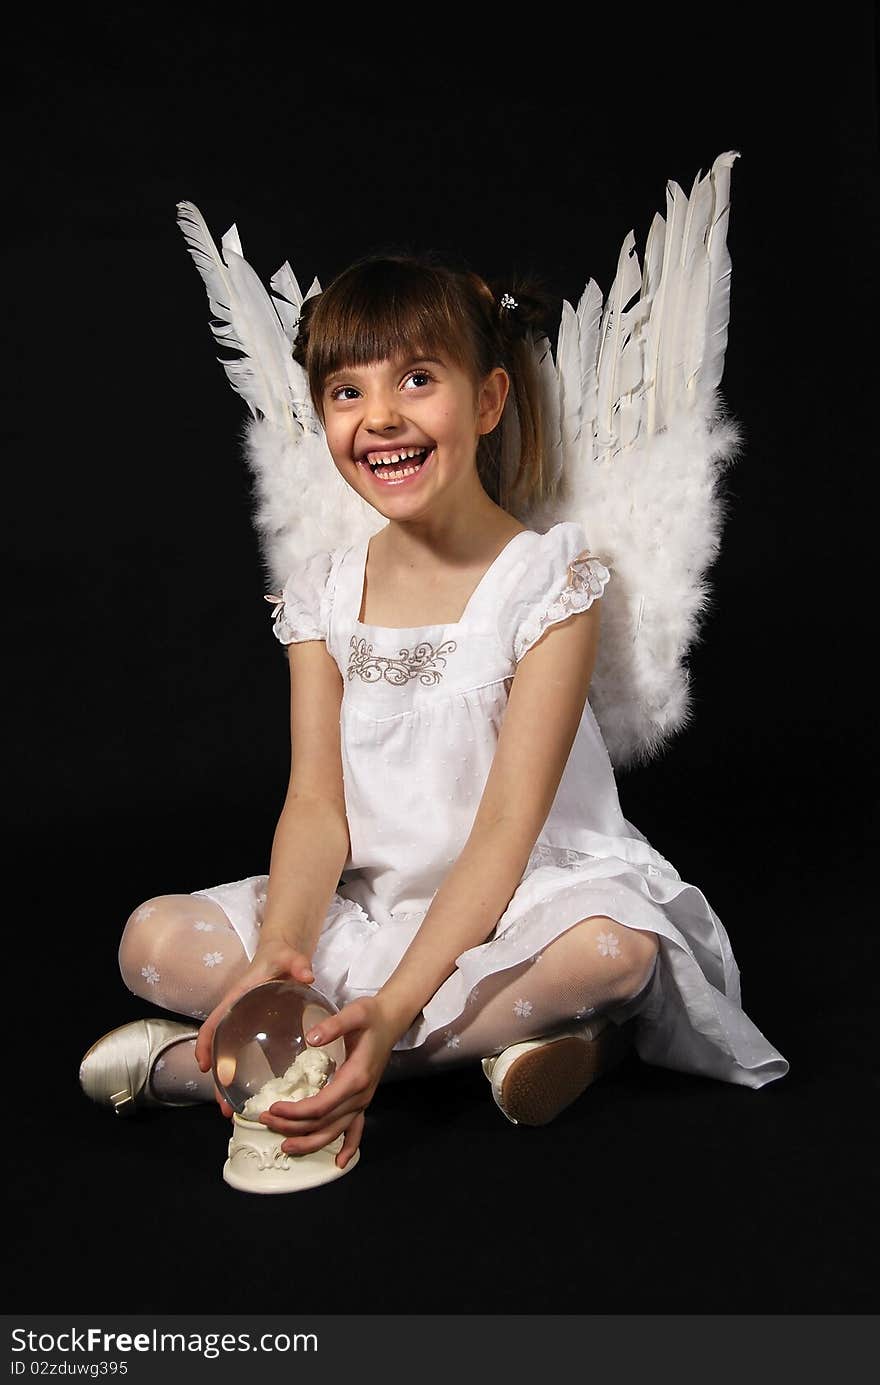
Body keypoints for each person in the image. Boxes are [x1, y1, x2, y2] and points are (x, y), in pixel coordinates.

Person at [79, 253, 789, 1170]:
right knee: (151, 940)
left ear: (488, 400)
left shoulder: (548, 582)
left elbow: (502, 827)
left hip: (528, 896)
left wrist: (393, 1002)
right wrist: (281, 955)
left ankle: (205, 1071)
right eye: (346, 391)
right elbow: (315, 807)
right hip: (379, 910)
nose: (381, 416)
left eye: (418, 379)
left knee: (616, 951)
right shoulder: (324, 595)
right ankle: (517, 1043)